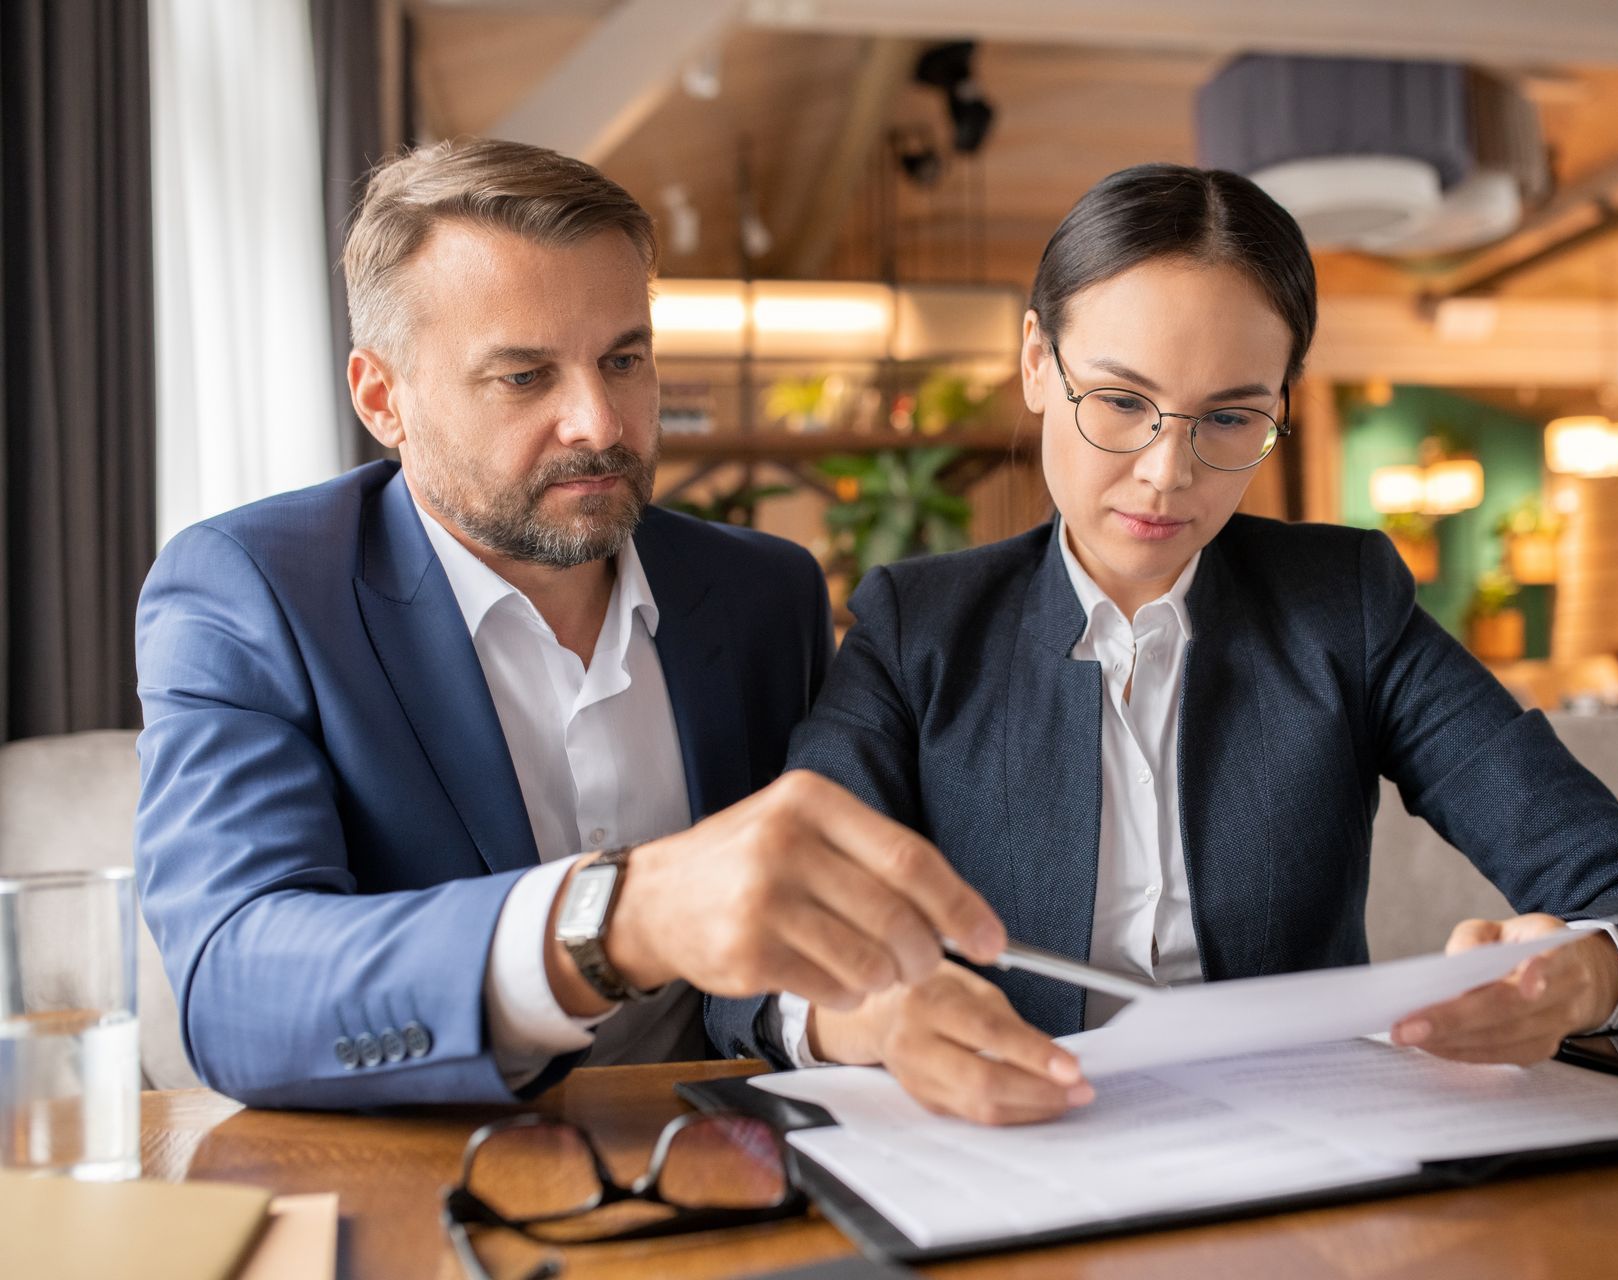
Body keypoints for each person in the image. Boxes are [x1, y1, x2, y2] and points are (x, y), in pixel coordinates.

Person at [707, 164, 1618, 1126]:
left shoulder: (1346, 605)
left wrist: (1577, 979)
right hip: (1021, 1145)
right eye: (1121, 401)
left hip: (1314, 1145)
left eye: (1231, 418)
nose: (1169, 471)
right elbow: (750, 959)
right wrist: (877, 1019)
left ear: (1279, 406)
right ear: (1036, 363)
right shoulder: (915, 627)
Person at [134, 138, 1004, 1109]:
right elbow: (234, 987)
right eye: (523, 376)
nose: (598, 420)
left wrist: (856, 1004)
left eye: (623, 358)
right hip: (427, 1183)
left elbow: (777, 939)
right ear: (384, 398)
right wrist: (614, 917)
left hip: (738, 1165)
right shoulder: (251, 591)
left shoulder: (766, 592)